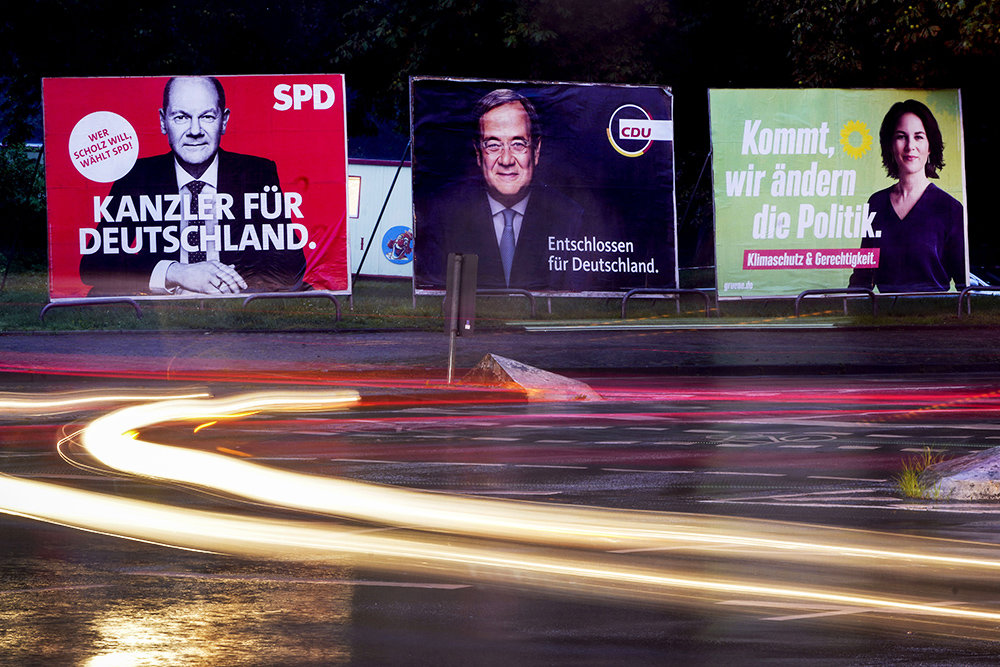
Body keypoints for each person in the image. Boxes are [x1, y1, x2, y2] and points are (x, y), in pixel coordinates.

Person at [80, 76, 306, 296]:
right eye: (181, 117)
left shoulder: (256, 173)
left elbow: (291, 266)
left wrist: (225, 284)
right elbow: (93, 266)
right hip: (163, 308)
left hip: (231, 303)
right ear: (163, 121)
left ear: (224, 121)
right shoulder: (136, 177)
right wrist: (176, 273)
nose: (195, 131)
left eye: (207, 117)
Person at [415, 88, 584, 291]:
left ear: (536, 151)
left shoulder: (570, 217)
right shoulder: (443, 215)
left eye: (518, 144)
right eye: (493, 145)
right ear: (479, 153)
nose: (506, 159)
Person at [848, 99, 966, 293]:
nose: (910, 145)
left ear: (930, 146)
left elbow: (964, 284)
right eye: (901, 136)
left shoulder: (950, 208)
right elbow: (862, 277)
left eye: (919, 137)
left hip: (935, 312)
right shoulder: (876, 204)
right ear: (890, 145)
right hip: (883, 311)